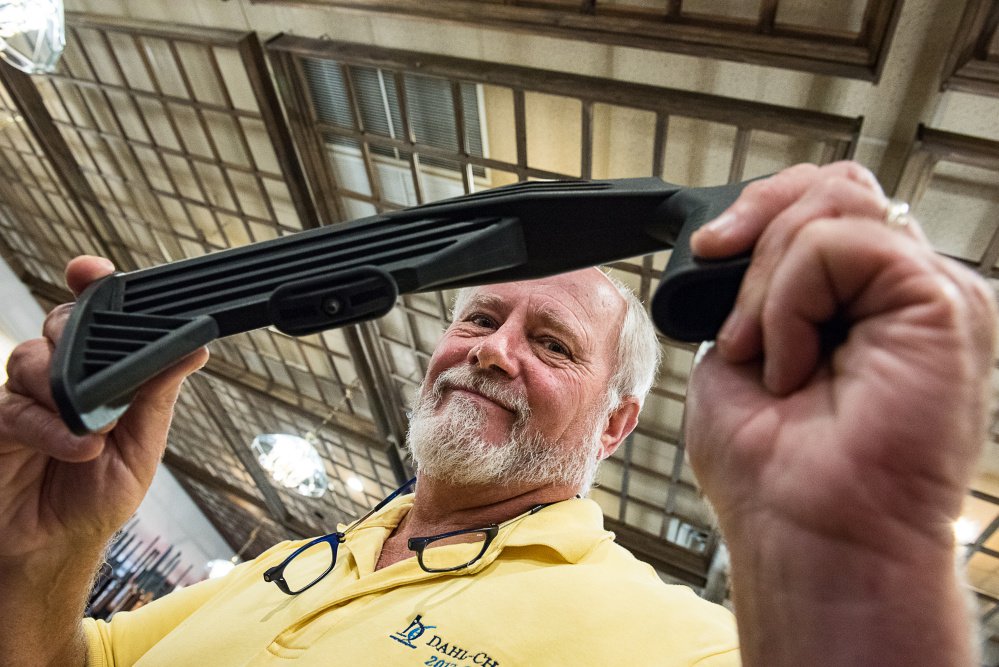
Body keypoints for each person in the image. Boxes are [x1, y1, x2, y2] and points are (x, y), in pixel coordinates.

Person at [0, 161, 993, 666]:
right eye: (478, 316)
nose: (490, 348)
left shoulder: (664, 638)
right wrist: (45, 551)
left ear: (615, 427)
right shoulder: (292, 564)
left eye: (552, 344)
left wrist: (851, 581)